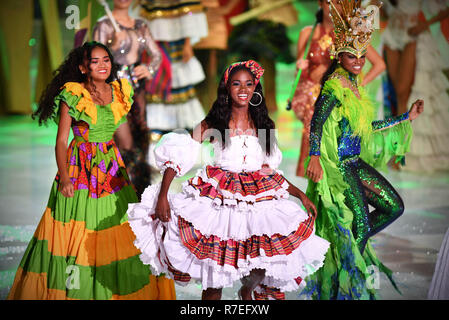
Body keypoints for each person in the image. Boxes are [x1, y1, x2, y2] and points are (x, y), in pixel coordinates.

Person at [127, 60, 330, 300]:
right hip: (220, 203)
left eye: (249, 84)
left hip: (257, 202)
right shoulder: (214, 123)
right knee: (215, 278)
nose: (243, 89)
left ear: (256, 88)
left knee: (260, 264)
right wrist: (163, 196)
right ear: (227, 88)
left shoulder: (263, 125)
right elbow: (180, 153)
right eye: (236, 84)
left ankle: (247, 291)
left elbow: (270, 172)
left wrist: (301, 195)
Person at [7, 42, 175, 300]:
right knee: (78, 228)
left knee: (117, 226)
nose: (102, 65)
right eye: (94, 61)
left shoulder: (119, 91)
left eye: (106, 60)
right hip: (79, 168)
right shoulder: (74, 94)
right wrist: (64, 177)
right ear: (83, 67)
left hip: (111, 168)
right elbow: (61, 141)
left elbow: (124, 140)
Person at [302, 0, 424, 300]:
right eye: (351, 55)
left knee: (394, 206)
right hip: (341, 168)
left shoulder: (356, 85)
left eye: (361, 56)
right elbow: (317, 120)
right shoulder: (334, 87)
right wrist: (314, 155)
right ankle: (345, 281)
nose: (358, 60)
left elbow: (369, 127)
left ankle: (345, 255)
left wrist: (405, 117)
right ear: (338, 55)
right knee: (360, 220)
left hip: (356, 163)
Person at [292, 0, 386, 177]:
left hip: (337, 98)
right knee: (313, 138)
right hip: (311, 97)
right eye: (331, 2)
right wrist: (299, 66)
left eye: (341, 3)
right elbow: (300, 68)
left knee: (335, 143)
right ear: (321, 3)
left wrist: (356, 86)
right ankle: (315, 191)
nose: (335, 7)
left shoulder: (349, 35)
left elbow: (379, 64)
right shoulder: (307, 32)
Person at [92, 0, 162, 197]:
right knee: (124, 145)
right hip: (113, 93)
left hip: (137, 94)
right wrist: (112, 45)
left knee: (141, 143)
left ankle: (140, 198)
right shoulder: (104, 25)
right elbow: (94, 62)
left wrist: (147, 69)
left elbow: (156, 55)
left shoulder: (140, 25)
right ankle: (117, 195)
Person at [381, 0, 449, 171]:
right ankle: (395, 150)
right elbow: (384, 15)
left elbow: (444, 9)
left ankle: (400, 153)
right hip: (392, 35)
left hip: (413, 33)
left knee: (403, 93)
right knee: (396, 95)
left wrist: (425, 24)